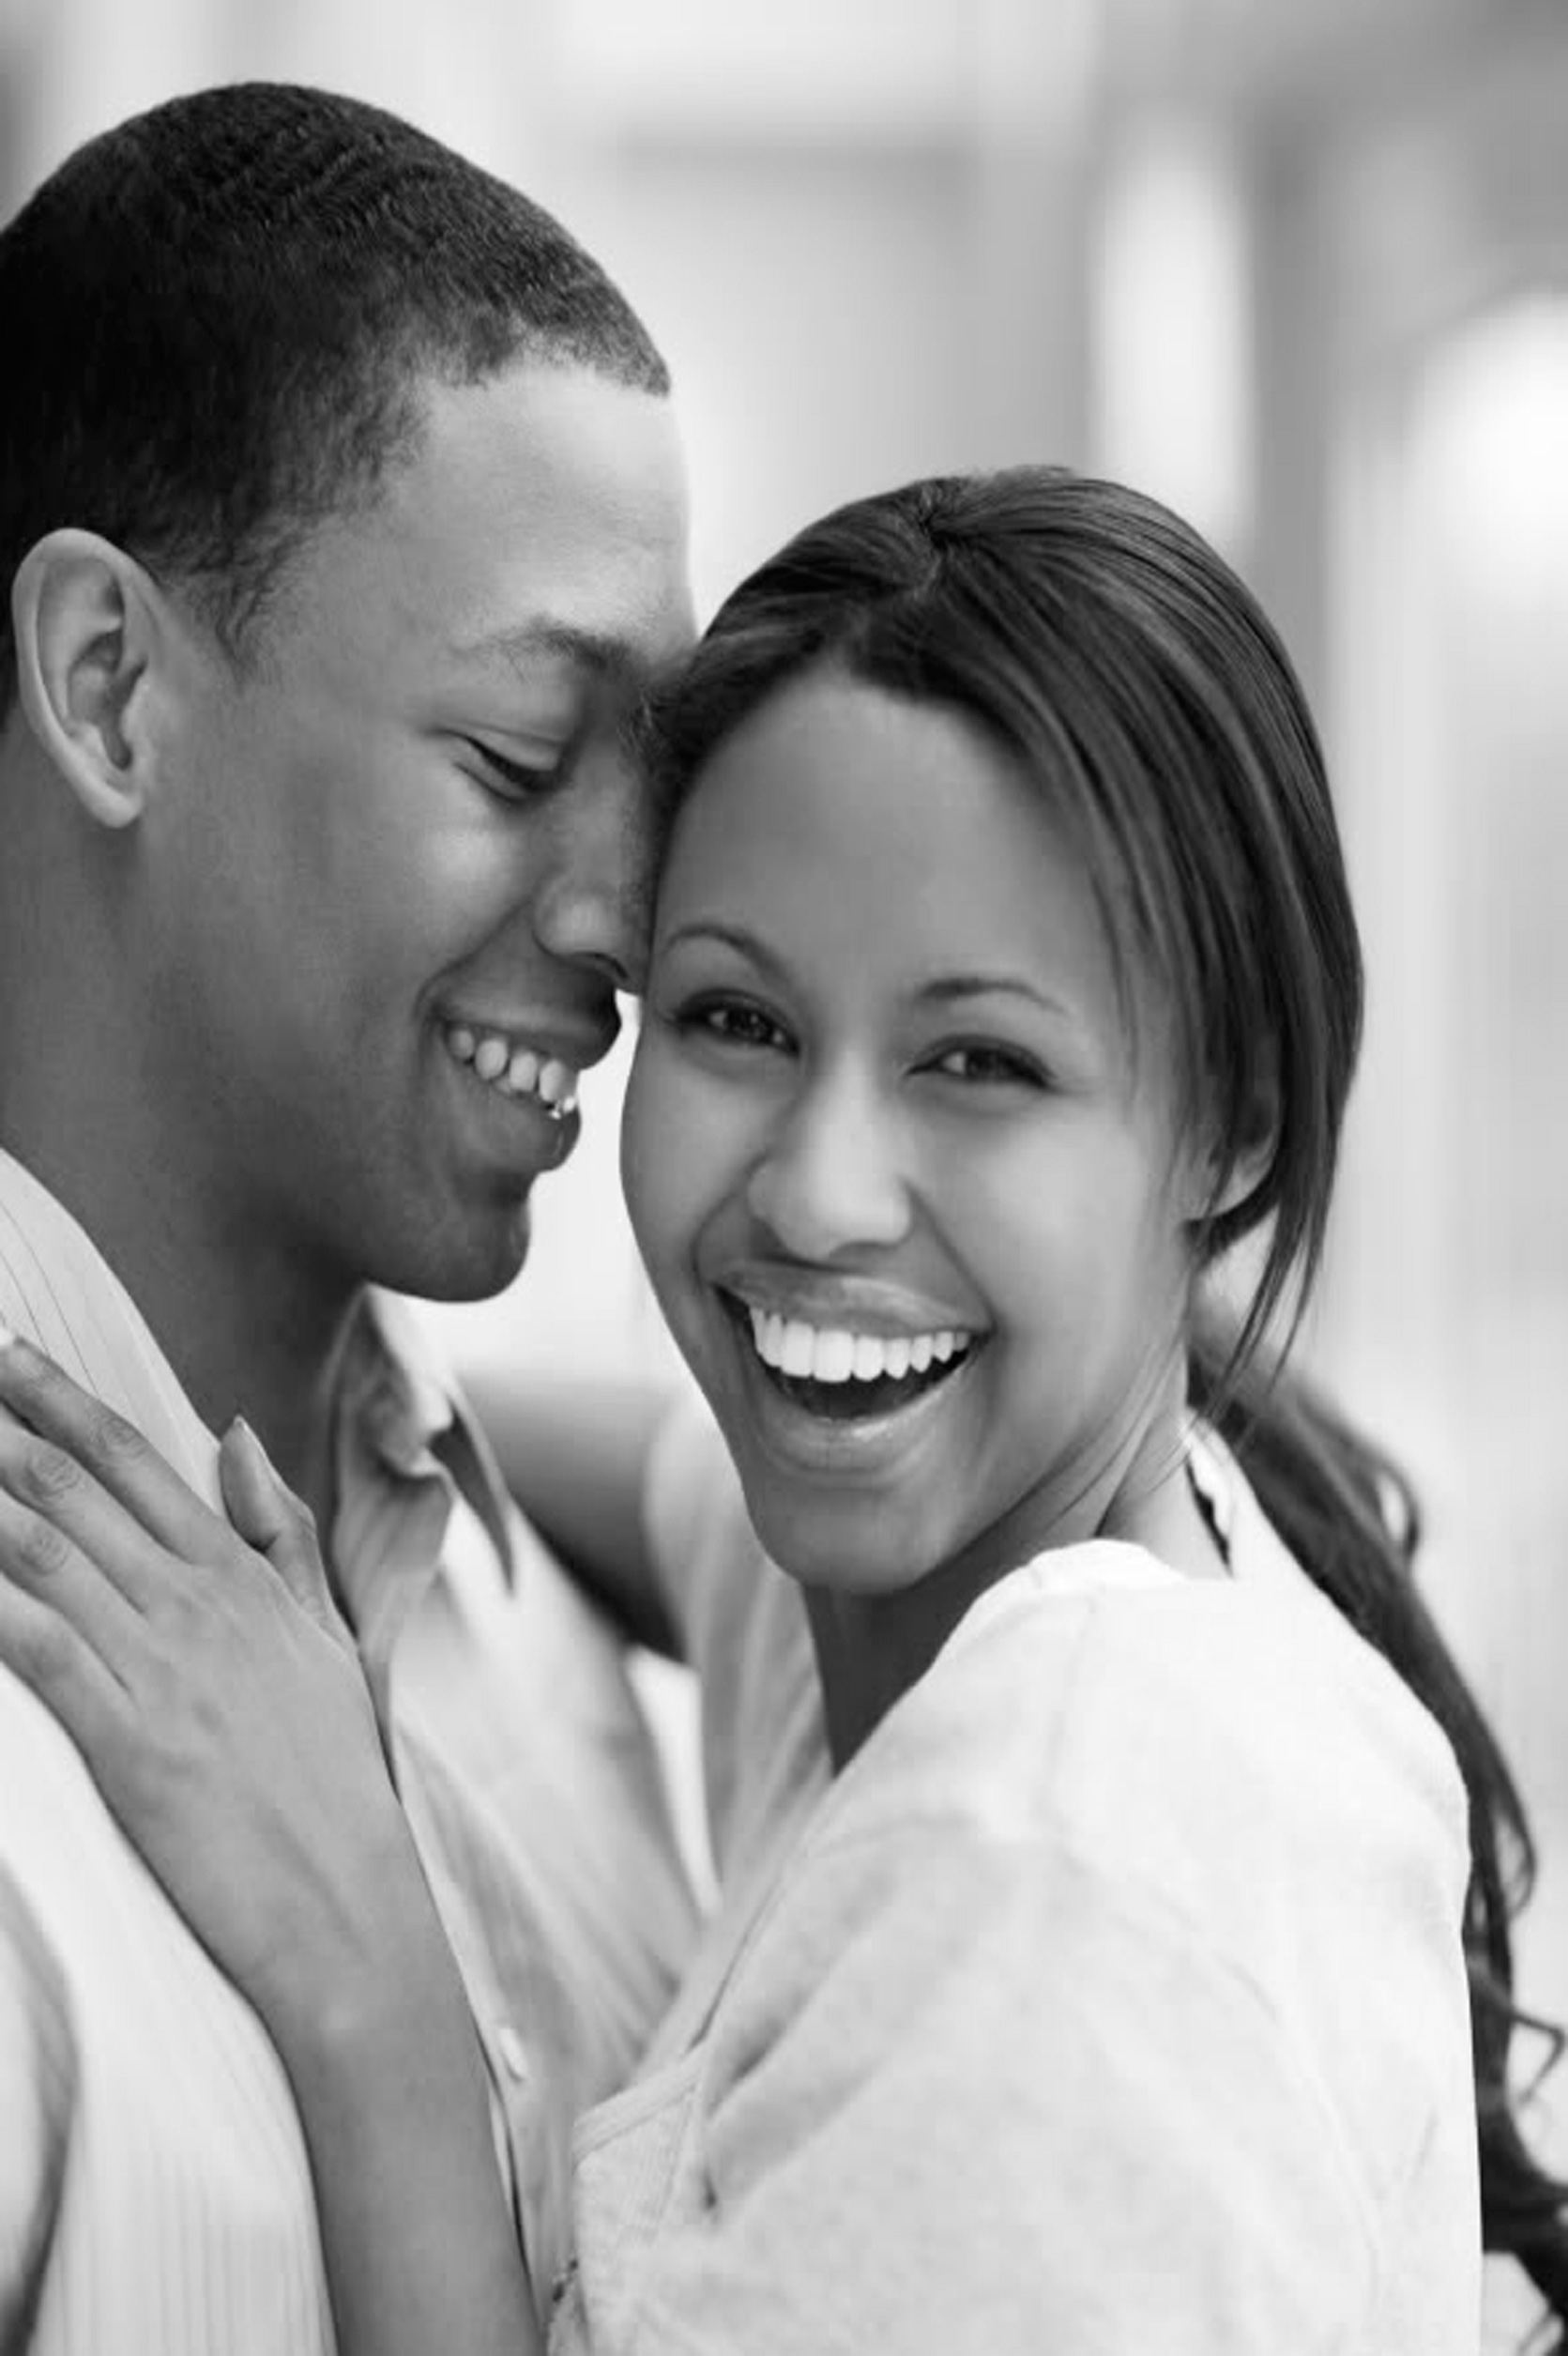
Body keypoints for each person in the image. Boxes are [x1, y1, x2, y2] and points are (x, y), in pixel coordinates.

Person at [2, 467, 1566, 2351]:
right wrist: (314, 1387)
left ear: (1228, 1125)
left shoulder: (1052, 1865)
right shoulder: (951, 1596)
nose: (820, 1196)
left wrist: (371, 1978)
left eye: (977, 1062)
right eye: (738, 1021)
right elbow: (672, 1483)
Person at [0, 81, 705, 2356]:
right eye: (516, 761)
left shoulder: (557, 1639)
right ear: (111, 689)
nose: (633, 919)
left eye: (657, 778)